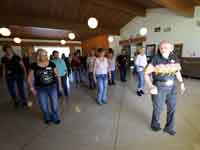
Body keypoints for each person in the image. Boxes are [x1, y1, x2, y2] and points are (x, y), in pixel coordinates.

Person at [144, 41, 186, 136]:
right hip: (159, 87)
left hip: (172, 87)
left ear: (171, 49)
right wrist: (151, 86)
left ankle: (169, 127)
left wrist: (181, 83)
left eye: (166, 47)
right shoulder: (155, 59)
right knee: (158, 108)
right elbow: (146, 74)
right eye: (161, 47)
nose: (163, 49)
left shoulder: (174, 58)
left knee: (172, 108)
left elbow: (177, 72)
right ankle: (155, 124)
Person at [28, 49, 61, 124]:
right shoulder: (34, 65)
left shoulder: (51, 64)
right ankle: (47, 117)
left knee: (54, 105)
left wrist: (60, 86)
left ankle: (55, 117)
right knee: (44, 106)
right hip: (40, 89)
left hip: (52, 87)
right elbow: (29, 78)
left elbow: (58, 75)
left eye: (46, 55)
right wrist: (31, 88)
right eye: (43, 55)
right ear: (39, 56)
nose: (45, 57)